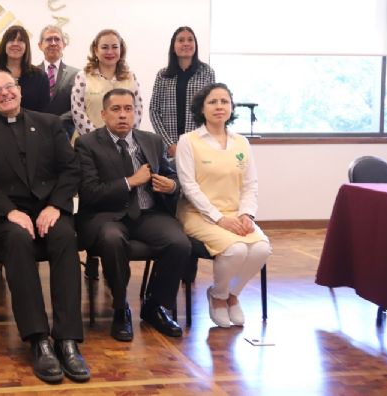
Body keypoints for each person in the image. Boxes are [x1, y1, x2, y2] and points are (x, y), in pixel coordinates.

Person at [0, 70, 89, 384]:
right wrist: (9, 211)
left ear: (18, 90)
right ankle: (39, 340)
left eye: (9, 86)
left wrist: (54, 206)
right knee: (18, 240)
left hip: (47, 211)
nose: (5, 93)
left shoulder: (49, 124)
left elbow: (70, 169)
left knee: (64, 236)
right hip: (1, 218)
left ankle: (68, 339)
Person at [74, 88, 188, 342]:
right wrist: (129, 182)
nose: (123, 115)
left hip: (148, 213)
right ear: (104, 114)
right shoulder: (87, 144)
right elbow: (89, 192)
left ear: (136, 113)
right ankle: (120, 307)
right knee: (113, 240)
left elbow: (170, 175)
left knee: (179, 243)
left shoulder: (151, 140)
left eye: (128, 109)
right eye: (116, 109)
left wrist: (172, 186)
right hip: (108, 216)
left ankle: (155, 306)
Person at [175, 83, 271, 328]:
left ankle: (232, 295)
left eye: (224, 101)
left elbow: (250, 184)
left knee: (261, 249)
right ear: (202, 108)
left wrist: (247, 214)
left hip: (235, 212)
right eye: (213, 102)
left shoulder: (241, 142)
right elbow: (189, 187)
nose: (219, 106)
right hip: (198, 213)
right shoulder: (189, 141)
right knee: (236, 250)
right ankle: (217, 297)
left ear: (231, 107)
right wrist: (219, 218)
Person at [149, 26, 216, 158]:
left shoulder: (207, 72)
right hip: (169, 147)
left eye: (190, 40)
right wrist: (169, 144)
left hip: (199, 144)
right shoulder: (163, 75)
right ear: (173, 47)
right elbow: (154, 111)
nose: (186, 43)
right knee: (171, 179)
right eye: (181, 40)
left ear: (195, 45)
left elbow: (211, 109)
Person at [71, 29, 143, 137]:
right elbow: (77, 112)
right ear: (95, 50)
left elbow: (137, 110)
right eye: (104, 47)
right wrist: (99, 140)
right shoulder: (83, 76)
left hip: (123, 144)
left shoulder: (130, 77)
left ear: (121, 50)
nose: (110, 52)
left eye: (114, 47)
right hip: (89, 144)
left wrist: (123, 138)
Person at [0, 25, 50, 119]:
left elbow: (43, 111)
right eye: (11, 40)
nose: (15, 44)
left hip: (31, 130)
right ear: (4, 45)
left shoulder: (40, 76)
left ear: (26, 46)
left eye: (20, 40)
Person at [36, 25, 77, 137]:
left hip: (66, 133)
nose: (53, 43)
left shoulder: (77, 75)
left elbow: (78, 106)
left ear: (63, 44)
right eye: (48, 39)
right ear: (40, 45)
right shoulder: (30, 73)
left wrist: (57, 122)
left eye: (57, 39)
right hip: (36, 133)